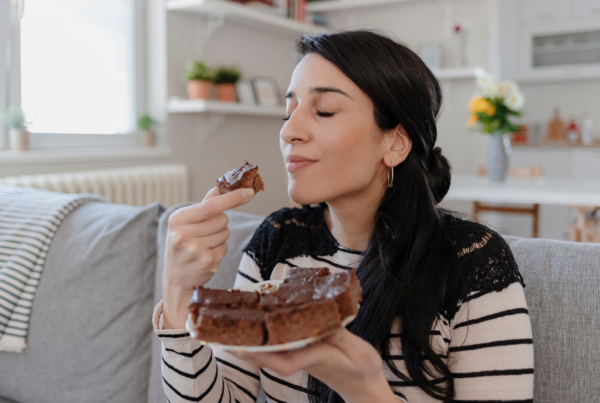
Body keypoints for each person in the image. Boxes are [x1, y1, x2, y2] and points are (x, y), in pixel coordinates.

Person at [154, 30, 534, 403]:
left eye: (324, 110)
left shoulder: (472, 261)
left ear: (395, 142)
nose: (289, 131)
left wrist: (363, 391)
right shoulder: (278, 240)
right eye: (288, 112)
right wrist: (176, 290)